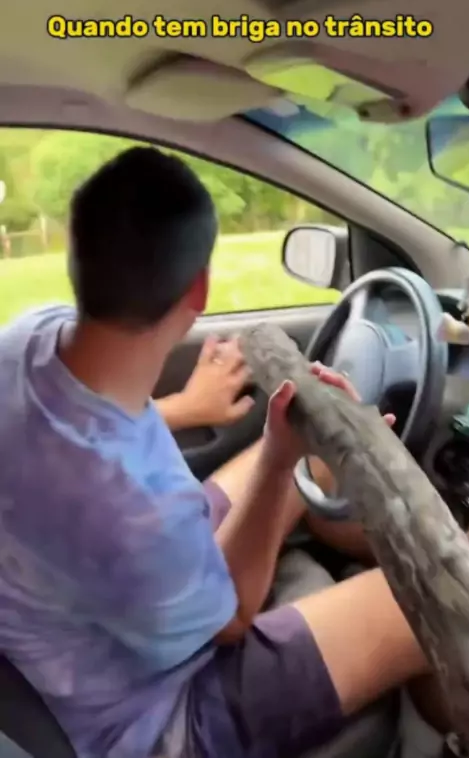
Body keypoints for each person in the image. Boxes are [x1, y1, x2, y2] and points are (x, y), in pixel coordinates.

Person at [0, 146, 430, 758]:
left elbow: (77, 439)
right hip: (153, 717)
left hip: (81, 619)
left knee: (308, 455)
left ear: (75, 251)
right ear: (199, 288)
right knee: (421, 594)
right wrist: (279, 460)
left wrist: (188, 406)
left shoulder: (25, 338)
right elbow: (232, 618)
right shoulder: (141, 514)